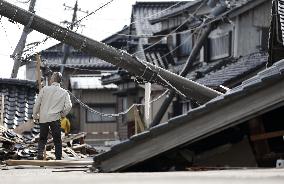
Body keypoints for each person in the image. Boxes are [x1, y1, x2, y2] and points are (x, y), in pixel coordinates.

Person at [33, 72, 72, 160]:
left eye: (51, 78)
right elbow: (69, 106)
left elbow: (37, 103)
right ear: (60, 81)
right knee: (57, 140)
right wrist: (62, 114)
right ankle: (58, 158)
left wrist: (35, 116)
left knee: (42, 138)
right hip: (55, 118)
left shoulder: (44, 89)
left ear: (52, 80)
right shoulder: (64, 92)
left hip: (43, 118)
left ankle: (40, 154)